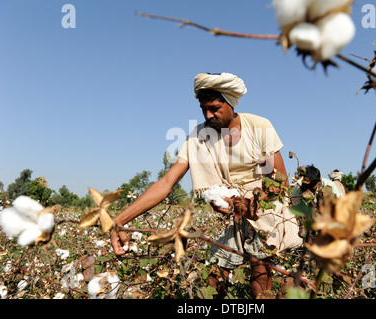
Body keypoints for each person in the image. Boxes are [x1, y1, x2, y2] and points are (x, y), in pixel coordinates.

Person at [110, 72, 302, 298]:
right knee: (214, 275)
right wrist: (119, 220)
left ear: (230, 103)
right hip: (227, 210)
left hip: (262, 209)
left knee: (260, 268)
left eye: (214, 108)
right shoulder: (198, 136)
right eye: (203, 109)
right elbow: (166, 183)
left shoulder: (259, 126)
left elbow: (280, 182)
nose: (207, 115)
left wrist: (249, 204)